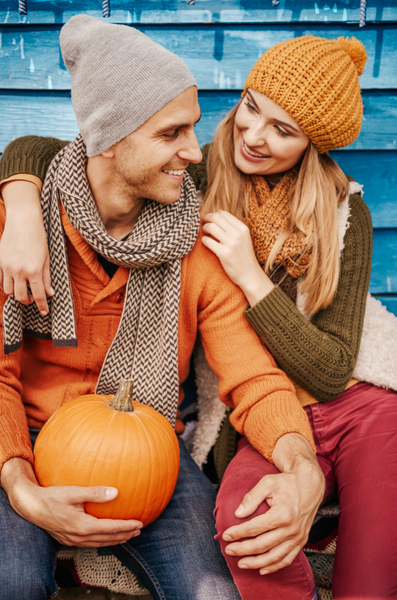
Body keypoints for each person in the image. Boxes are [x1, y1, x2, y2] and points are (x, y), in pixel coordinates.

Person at [3, 33, 397, 600]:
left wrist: (302, 463)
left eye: (283, 130)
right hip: (34, 436)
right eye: (249, 109)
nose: (198, 150)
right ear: (109, 139)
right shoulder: (30, 222)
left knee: (230, 588)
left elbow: (263, 376)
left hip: (184, 429)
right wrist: (17, 202)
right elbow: (47, 151)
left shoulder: (204, 230)